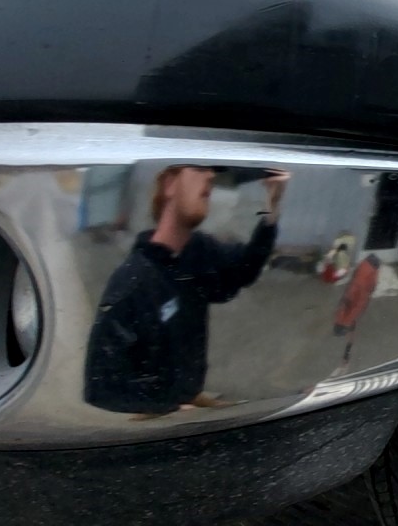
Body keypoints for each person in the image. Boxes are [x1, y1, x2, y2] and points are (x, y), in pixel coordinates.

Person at [84, 165, 289, 416]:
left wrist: (271, 207)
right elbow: (103, 389)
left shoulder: (197, 250)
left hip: (188, 398)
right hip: (161, 422)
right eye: (199, 168)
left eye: (212, 171)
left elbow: (244, 269)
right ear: (170, 185)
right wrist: (170, 408)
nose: (211, 176)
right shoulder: (133, 282)